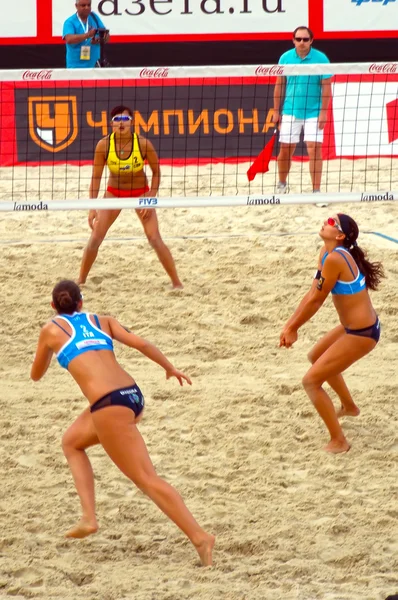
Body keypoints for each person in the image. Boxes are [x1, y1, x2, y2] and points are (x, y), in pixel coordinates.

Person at [30, 279, 215, 566]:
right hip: (132, 396)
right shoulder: (100, 320)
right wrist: (169, 368)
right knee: (71, 442)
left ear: (53, 306)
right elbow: (141, 343)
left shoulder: (50, 330)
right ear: (81, 302)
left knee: (147, 479)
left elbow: (36, 374)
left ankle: (200, 536)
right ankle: (88, 518)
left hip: (109, 406)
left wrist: (55, 353)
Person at [280, 214, 384, 454]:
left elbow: (317, 300)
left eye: (330, 221)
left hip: (362, 333)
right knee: (316, 357)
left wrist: (294, 328)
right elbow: (312, 293)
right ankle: (349, 407)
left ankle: (339, 441)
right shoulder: (326, 254)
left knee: (311, 381)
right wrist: (289, 326)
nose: (325, 222)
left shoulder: (337, 258)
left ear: (340, 235)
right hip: (353, 327)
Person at [78, 105, 183, 289]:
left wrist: (151, 198)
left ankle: (176, 283)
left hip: (140, 192)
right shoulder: (103, 145)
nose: (121, 123)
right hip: (114, 193)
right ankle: (81, 281)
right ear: (111, 124)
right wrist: (92, 207)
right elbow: (96, 178)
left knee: (154, 238)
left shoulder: (142, 144)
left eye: (125, 120)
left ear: (132, 123)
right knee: (95, 238)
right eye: (117, 120)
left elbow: (156, 173)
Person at [273, 26, 332, 195]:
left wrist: (323, 112)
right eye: (298, 39)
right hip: (290, 110)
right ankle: (282, 184)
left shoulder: (321, 59)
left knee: (314, 148)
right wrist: (276, 111)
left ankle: (316, 191)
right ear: (293, 40)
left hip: (314, 111)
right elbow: (279, 85)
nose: (302, 42)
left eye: (305, 39)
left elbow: (326, 88)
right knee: (286, 149)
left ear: (311, 40)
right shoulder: (285, 58)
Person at [63, 0, 109, 69]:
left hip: (95, 65)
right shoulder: (70, 22)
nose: (87, 7)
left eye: (89, 5)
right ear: (76, 6)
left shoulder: (94, 17)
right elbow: (69, 39)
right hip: (75, 66)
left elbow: (106, 37)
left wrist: (99, 40)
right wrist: (87, 35)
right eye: (83, 5)